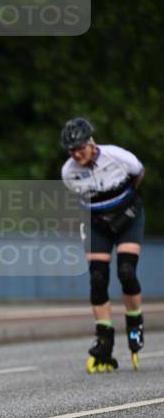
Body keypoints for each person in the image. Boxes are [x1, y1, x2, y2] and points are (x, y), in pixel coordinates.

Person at [60, 117, 146, 371]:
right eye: (71, 151)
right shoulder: (68, 172)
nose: (76, 154)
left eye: (80, 148)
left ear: (91, 142)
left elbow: (139, 175)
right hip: (97, 223)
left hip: (128, 218)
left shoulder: (118, 156)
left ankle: (135, 323)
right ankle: (104, 339)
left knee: (126, 272)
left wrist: (123, 204)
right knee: (98, 278)